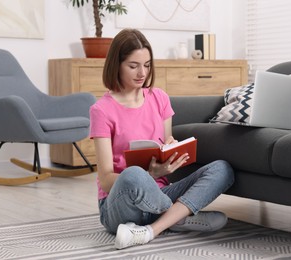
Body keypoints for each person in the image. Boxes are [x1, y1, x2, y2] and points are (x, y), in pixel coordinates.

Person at [89, 28, 235, 250]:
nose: (142, 73)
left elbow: (166, 141)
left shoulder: (159, 98)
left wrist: (171, 151)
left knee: (222, 169)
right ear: (116, 65)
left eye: (147, 65)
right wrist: (149, 174)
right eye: (133, 65)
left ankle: (150, 230)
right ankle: (177, 216)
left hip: (159, 192)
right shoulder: (101, 110)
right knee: (133, 175)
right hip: (118, 204)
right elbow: (107, 179)